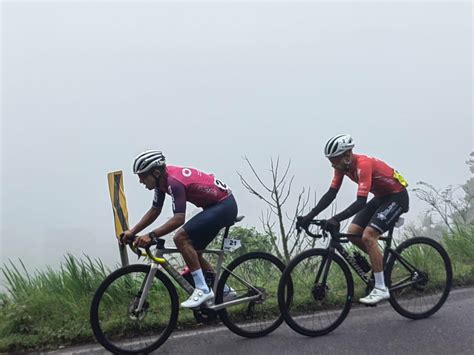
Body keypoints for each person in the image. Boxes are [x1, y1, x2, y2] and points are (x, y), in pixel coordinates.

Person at [297, 134, 409, 305]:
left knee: (368, 236)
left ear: (347, 155)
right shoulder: (342, 167)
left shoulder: (363, 165)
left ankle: (381, 288)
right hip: (380, 197)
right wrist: (309, 216)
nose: (332, 164)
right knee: (352, 234)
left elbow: (360, 202)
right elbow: (331, 194)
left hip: (397, 197)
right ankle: (380, 266)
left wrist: (336, 218)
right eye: (330, 160)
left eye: (334, 159)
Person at [121, 150, 238, 308]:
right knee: (193, 251)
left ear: (155, 172)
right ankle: (224, 291)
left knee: (180, 238)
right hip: (214, 206)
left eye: (142, 176)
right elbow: (155, 210)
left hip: (224, 206)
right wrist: (132, 231)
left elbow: (178, 219)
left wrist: (151, 235)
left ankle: (203, 289)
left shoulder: (174, 182)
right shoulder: (161, 183)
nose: (140, 181)